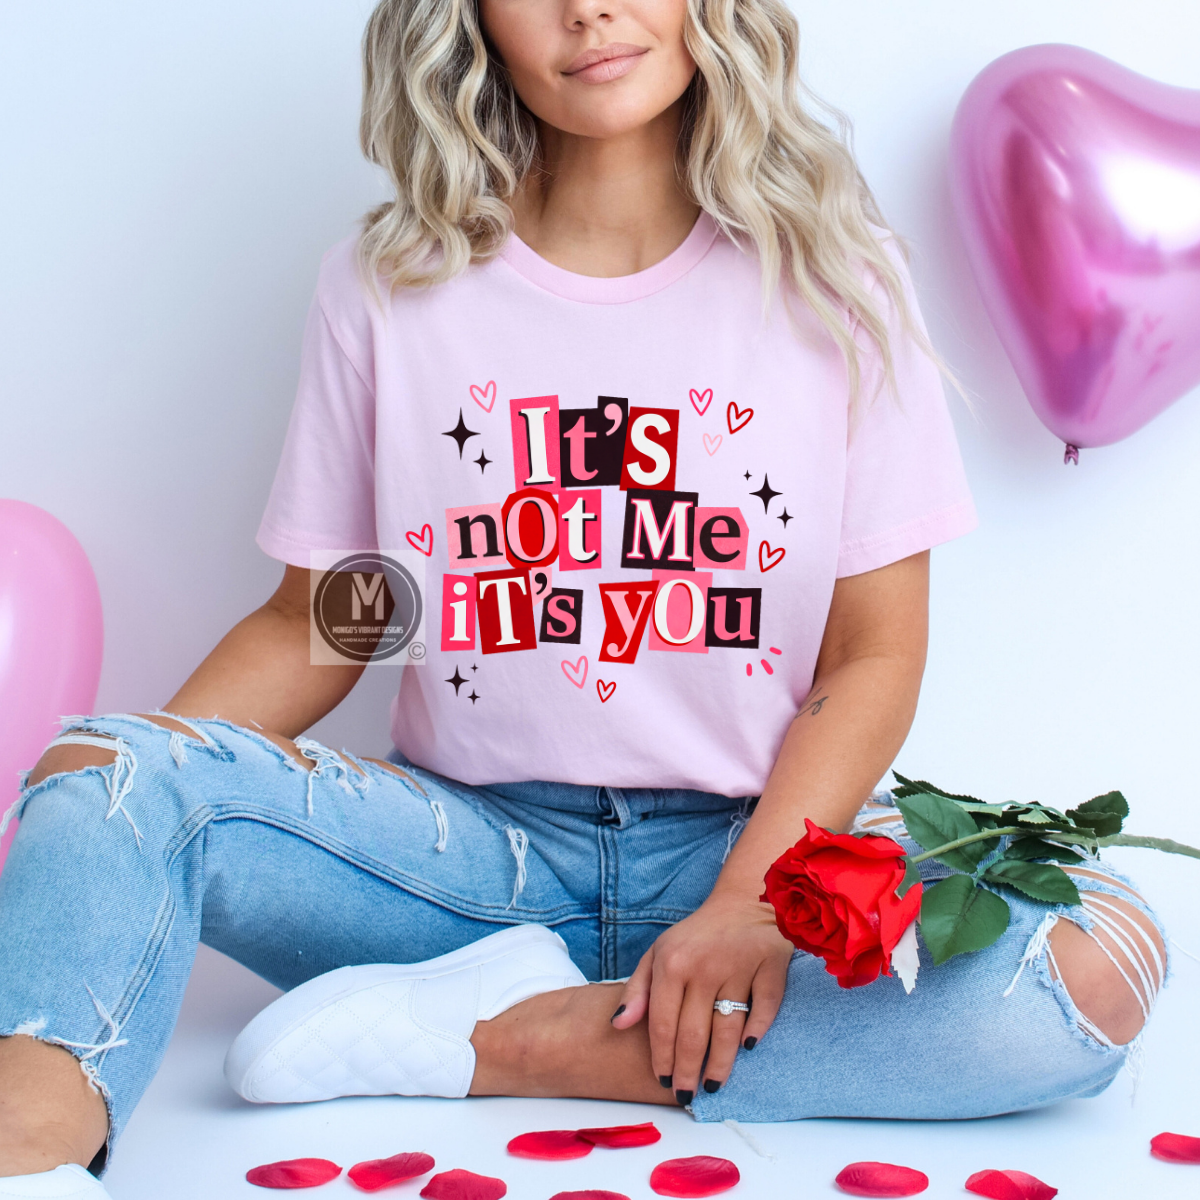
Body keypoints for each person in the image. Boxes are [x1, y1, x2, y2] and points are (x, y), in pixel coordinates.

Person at [0, 0, 1167, 1194]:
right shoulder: (390, 284)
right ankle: (28, 1166)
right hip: (459, 872)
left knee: (1097, 961)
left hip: (751, 844)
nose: (589, 10)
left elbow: (872, 652)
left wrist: (756, 902)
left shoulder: (840, 279)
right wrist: (136, 808)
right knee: (99, 771)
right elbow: (329, 618)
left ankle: (514, 1041)